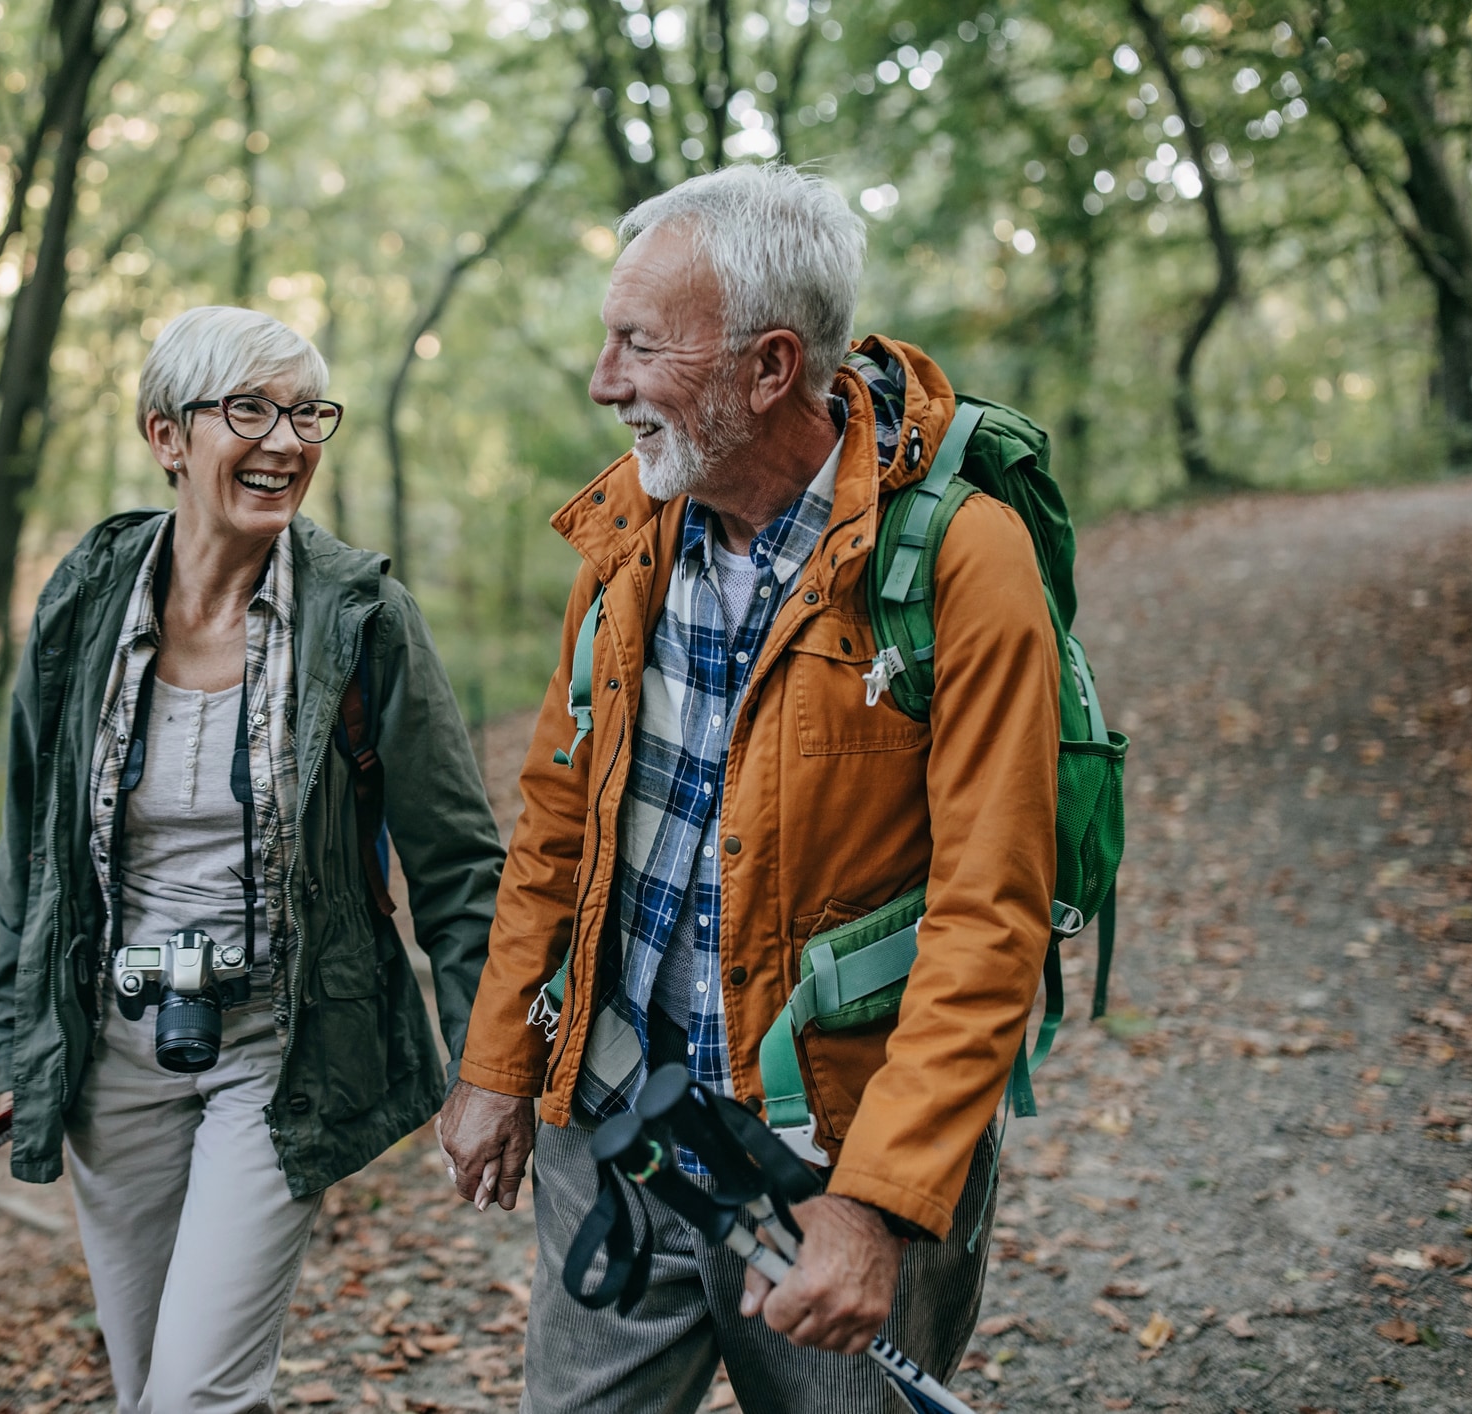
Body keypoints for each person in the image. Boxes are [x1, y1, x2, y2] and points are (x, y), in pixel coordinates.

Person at [436, 165, 1059, 1410]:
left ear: (770, 368)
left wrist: (878, 1204)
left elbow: (988, 916)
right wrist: (500, 1057)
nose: (603, 380)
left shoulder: (960, 562)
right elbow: (557, 819)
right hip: (612, 1123)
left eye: (639, 346)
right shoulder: (628, 527)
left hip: (827, 1163)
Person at [0, 306, 504, 1413]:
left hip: (278, 1043)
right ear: (166, 435)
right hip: (108, 1050)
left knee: (194, 1397)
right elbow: (28, 841)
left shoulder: (361, 619)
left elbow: (459, 862)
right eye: (249, 411)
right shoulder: (84, 600)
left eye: (305, 414)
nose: (285, 442)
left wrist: (487, 1066)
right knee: (148, 1389)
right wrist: (16, 1029)